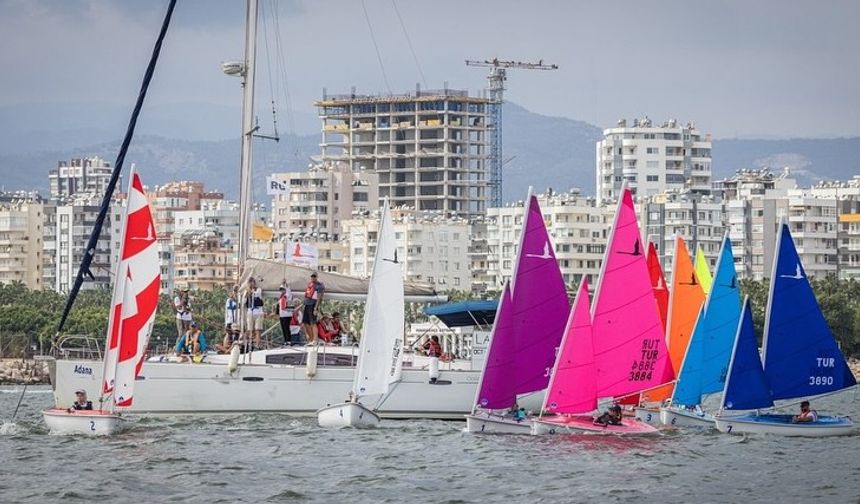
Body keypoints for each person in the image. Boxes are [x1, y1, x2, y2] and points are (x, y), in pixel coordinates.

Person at [303, 272, 325, 345]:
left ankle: (315, 340)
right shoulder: (310, 284)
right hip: (307, 304)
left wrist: (316, 308)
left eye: (314, 276)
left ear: (317, 277)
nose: (313, 278)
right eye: (312, 277)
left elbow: (319, 298)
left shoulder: (319, 286)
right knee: (305, 322)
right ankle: (311, 339)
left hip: (313, 304)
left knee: (313, 322)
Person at [245, 277, 265, 349]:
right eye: (250, 282)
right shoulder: (247, 292)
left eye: (253, 282)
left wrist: (251, 291)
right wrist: (248, 291)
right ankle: (250, 343)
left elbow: (257, 294)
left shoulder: (258, 290)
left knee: (258, 329)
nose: (252, 283)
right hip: (250, 312)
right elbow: (245, 300)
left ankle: (257, 344)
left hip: (258, 312)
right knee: (250, 329)